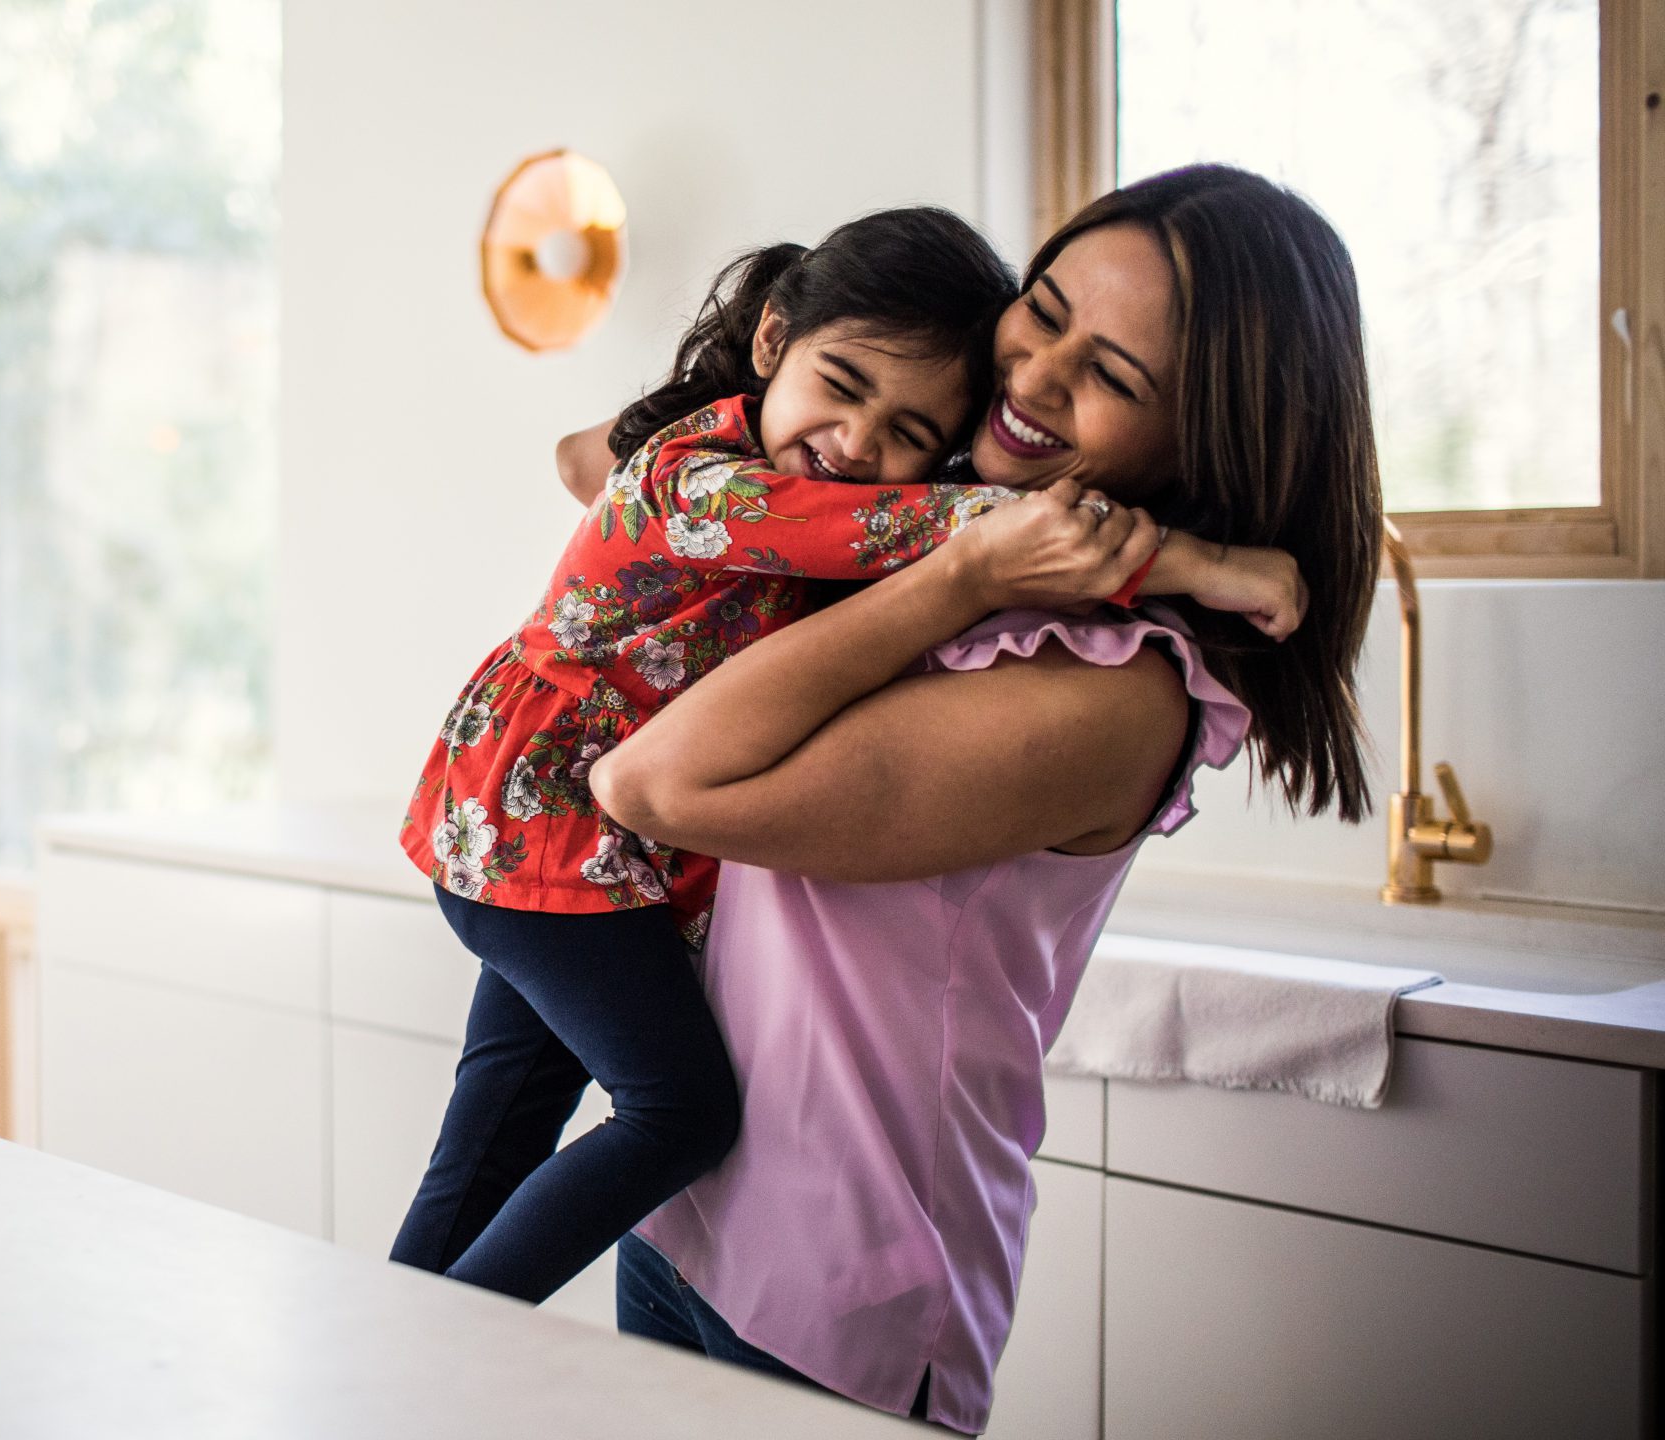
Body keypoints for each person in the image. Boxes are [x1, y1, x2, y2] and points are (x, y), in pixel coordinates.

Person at [583, 164, 1380, 1434]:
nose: (1033, 376)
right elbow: (605, 474)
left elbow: (654, 782)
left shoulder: (1108, 691)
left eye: (1113, 378)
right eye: (1044, 308)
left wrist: (958, 577)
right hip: (688, 1208)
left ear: (1207, 441)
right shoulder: (948, 532)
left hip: (836, 1282)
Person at [391, 206, 1300, 1307]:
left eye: (910, 431)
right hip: (544, 829)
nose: (862, 445)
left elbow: (892, 514)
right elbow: (922, 532)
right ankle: (438, 1353)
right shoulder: (717, 485)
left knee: (498, 1123)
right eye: (845, 384)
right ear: (773, 342)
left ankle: (408, 1332)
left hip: (555, 843)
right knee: (672, 1113)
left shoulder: (763, 470)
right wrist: (1195, 561)